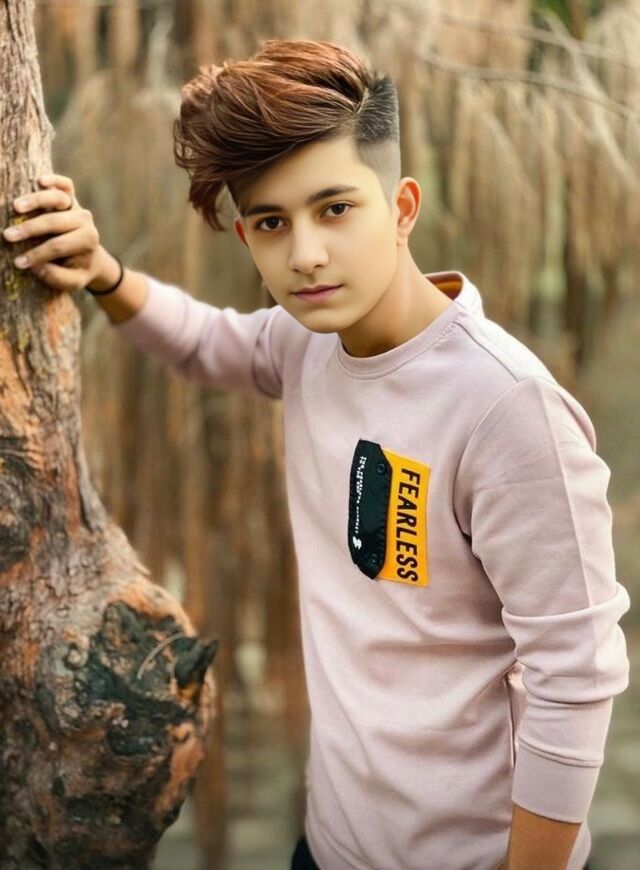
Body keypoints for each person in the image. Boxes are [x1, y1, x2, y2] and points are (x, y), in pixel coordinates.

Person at [3, 37, 628, 870]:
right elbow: (208, 342)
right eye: (272, 222)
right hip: (330, 846)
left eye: (335, 209)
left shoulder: (506, 408)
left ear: (401, 208)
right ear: (247, 238)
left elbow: (575, 675)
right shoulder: (308, 345)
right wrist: (104, 273)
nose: (304, 254)